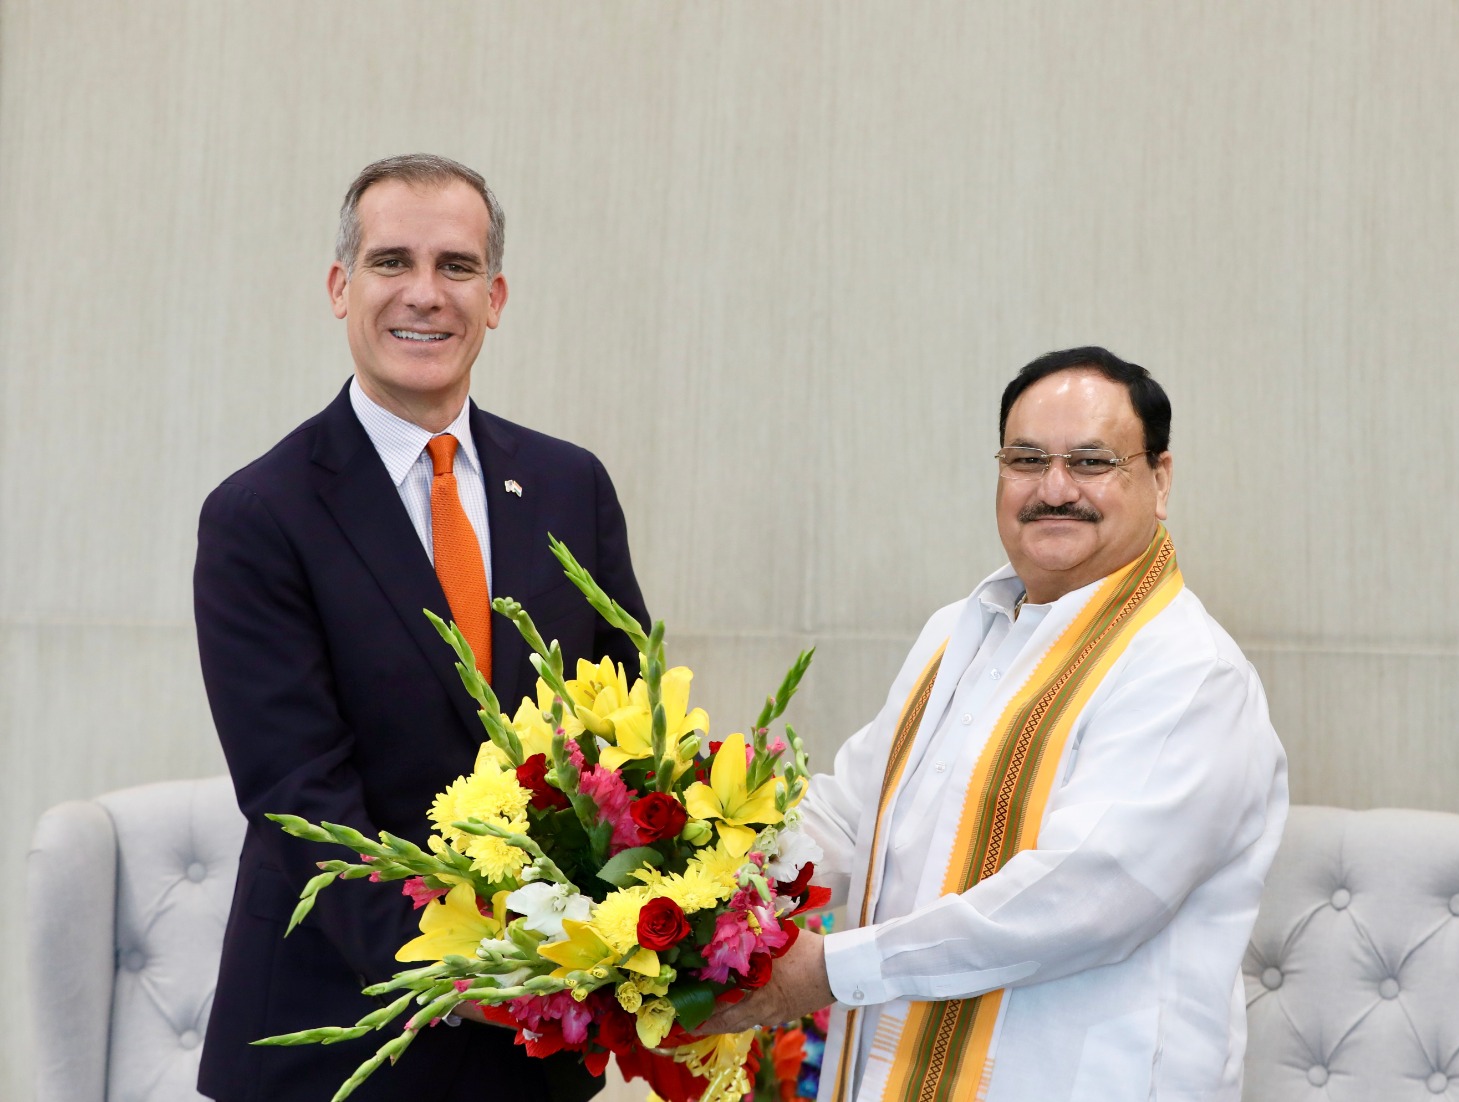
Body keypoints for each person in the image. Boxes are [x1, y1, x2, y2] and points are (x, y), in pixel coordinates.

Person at [704, 347, 1288, 1101]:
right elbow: (851, 816)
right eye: (1025, 459)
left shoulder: (1188, 672)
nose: (1054, 488)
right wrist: (688, 877)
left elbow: (1080, 901)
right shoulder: (959, 631)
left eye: (1090, 461)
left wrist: (829, 970)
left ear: (1160, 479)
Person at [194, 154, 648, 1102]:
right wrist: (456, 971)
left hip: (539, 1041)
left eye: (456, 266)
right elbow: (296, 792)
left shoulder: (573, 485)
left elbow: (626, 737)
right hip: (338, 1037)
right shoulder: (259, 513)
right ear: (339, 287)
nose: (425, 295)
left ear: (496, 295)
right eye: (392, 262)